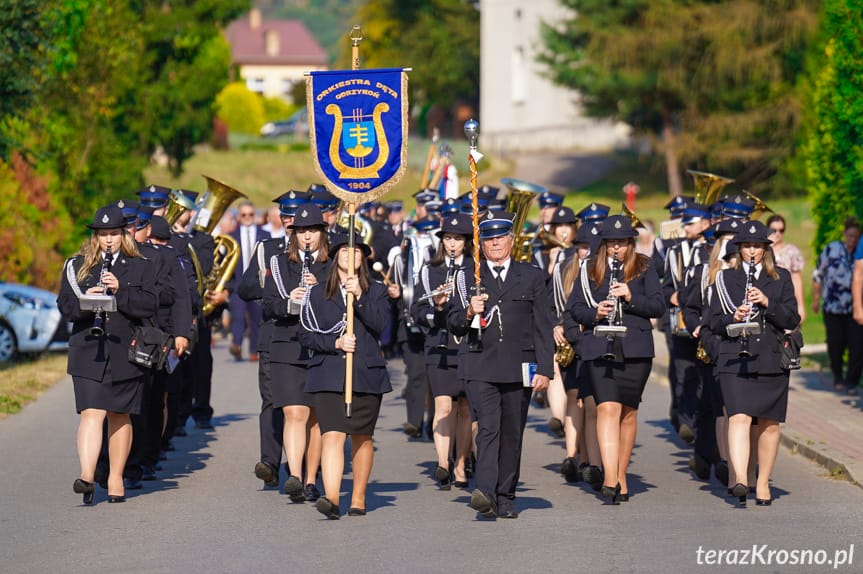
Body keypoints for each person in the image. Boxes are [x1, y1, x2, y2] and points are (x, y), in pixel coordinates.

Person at [447, 214, 554, 519]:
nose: (495, 243)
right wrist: (469, 310)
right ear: (481, 244)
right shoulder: (467, 276)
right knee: (488, 427)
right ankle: (485, 490)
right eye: (489, 239)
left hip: (519, 365)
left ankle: (506, 495)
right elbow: (452, 322)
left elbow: (543, 325)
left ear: (511, 240)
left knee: (512, 432)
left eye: (500, 237)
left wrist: (545, 369)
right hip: (480, 364)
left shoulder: (531, 276)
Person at [58, 205, 158, 504]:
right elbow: (64, 304)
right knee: (92, 412)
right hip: (88, 349)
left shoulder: (141, 265)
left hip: (123, 349)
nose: (109, 240)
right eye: (103, 235)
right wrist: (87, 301)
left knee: (118, 413)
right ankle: (87, 476)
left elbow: (149, 305)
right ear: (95, 236)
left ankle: (115, 476)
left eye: (114, 233)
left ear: (124, 234)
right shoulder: (77, 266)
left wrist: (121, 291)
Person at [567, 215, 664, 504]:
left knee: (628, 413)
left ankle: (621, 474)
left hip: (635, 349)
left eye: (622, 243)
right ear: (605, 244)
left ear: (630, 243)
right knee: (607, 407)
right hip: (600, 347)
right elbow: (575, 309)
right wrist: (595, 313)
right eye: (612, 243)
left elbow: (658, 306)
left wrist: (631, 296)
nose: (617, 248)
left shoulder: (644, 266)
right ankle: (610, 476)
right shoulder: (589, 270)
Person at [298, 235, 392, 519]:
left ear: (363, 258)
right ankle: (331, 497)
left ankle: (359, 498)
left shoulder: (375, 291)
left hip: (365, 374)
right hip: (328, 375)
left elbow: (382, 327)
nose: (349, 255)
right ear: (335, 255)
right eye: (344, 250)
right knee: (332, 435)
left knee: (362, 437)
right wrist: (335, 344)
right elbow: (305, 334)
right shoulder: (317, 294)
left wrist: (360, 298)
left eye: (356, 251)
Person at [707, 220, 800, 506]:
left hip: (770, 358)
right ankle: (738, 478)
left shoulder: (780, 278)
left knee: (769, 424)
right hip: (735, 357)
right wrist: (732, 318)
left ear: (764, 250)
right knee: (739, 417)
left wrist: (767, 302)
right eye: (746, 246)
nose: (751, 251)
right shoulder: (724, 279)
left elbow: (791, 319)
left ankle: (761, 482)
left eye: (756, 246)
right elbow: (711, 322)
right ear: (739, 248)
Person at [263, 204, 329, 502]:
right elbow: (268, 306)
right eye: (301, 231)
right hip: (287, 344)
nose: (306, 237)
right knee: (294, 411)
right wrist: (289, 299)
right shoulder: (278, 263)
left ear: (322, 234)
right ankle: (294, 475)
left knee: (316, 417)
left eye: (312, 231)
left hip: (322, 346)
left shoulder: (332, 266)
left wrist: (323, 290)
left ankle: (312, 478)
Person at [410, 215, 475, 490]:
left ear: (467, 243)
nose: (452, 244)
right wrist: (436, 308)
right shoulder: (429, 271)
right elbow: (415, 311)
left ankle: (461, 462)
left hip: (468, 345)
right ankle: (443, 463)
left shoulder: (475, 269)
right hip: (439, 345)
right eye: (448, 238)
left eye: (458, 239)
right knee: (443, 404)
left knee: (464, 408)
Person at [812, 217, 862, 394]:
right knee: (836, 345)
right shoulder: (832, 249)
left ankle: (851, 382)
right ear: (844, 234)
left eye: (856, 236)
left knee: (857, 346)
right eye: (850, 236)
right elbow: (818, 274)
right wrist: (816, 299)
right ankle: (838, 377)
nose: (853, 240)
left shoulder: (859, 253)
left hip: (855, 308)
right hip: (832, 307)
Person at [228, 201, 271, 361]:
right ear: (238, 216)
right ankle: (237, 345)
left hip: (257, 284)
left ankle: (254, 349)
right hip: (238, 282)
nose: (247, 217)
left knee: (257, 318)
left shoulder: (265, 235)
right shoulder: (232, 236)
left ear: (255, 216)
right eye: (244, 214)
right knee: (238, 316)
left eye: (250, 214)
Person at [767, 214, 806, 326]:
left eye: (781, 230)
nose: (778, 233)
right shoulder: (761, 250)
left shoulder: (792, 251)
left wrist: (801, 306)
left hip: (786, 299)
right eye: (774, 230)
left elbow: (797, 279)